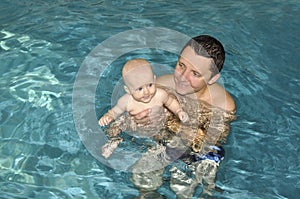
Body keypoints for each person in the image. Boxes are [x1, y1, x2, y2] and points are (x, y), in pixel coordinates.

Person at [130, 35, 236, 198]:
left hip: (199, 154)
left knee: (183, 188)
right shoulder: (162, 87)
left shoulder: (223, 105)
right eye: (181, 65)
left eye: (195, 73)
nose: (182, 77)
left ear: (212, 78)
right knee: (142, 178)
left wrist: (177, 126)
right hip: (166, 142)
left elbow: (214, 141)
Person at [99, 58, 189, 158]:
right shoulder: (126, 101)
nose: (146, 92)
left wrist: (179, 111)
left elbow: (171, 102)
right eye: (140, 89)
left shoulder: (160, 94)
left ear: (154, 80)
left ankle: (157, 149)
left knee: (168, 138)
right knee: (117, 125)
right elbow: (115, 112)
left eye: (150, 85)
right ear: (128, 90)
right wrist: (108, 116)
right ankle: (113, 141)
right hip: (134, 126)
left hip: (157, 124)